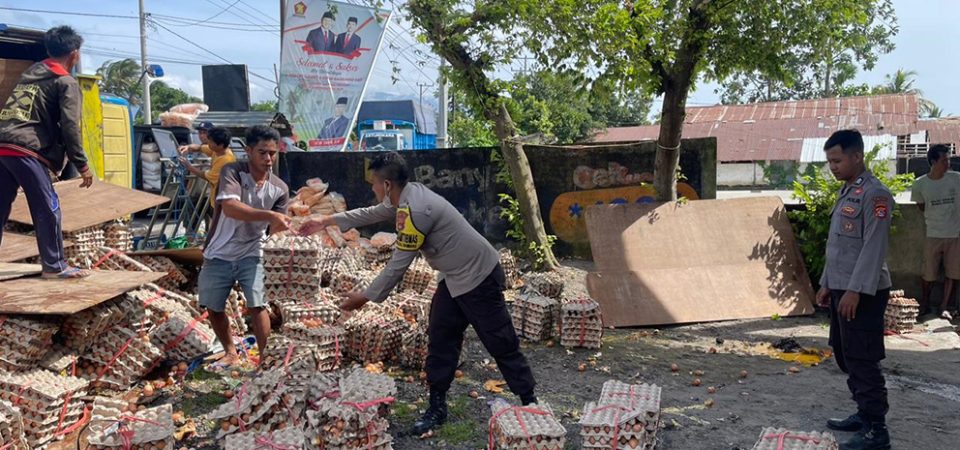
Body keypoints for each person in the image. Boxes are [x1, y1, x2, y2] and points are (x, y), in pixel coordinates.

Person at [298, 152, 537, 435]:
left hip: (479, 275)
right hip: (454, 277)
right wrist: (326, 221)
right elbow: (371, 213)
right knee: (440, 336)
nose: (372, 189)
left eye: (374, 183)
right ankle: (437, 406)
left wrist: (363, 297)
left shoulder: (416, 210)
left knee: (499, 340)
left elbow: (399, 264)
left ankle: (529, 402)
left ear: (387, 184)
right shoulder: (406, 196)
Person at [816, 129, 893, 450]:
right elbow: (838, 246)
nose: (832, 167)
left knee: (862, 358)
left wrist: (854, 291)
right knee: (845, 354)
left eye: (837, 160)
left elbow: (873, 248)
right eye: (829, 161)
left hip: (864, 293)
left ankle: (877, 430)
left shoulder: (876, 195)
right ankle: (864, 414)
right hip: (841, 288)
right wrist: (826, 283)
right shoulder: (848, 191)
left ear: (857, 156)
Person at [0, 25, 94, 279]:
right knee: (47, 206)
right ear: (74, 54)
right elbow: (71, 127)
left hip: (3, 146)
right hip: (27, 150)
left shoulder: (31, 72)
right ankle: (54, 266)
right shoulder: (65, 82)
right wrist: (82, 164)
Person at [198, 125, 291, 369]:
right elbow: (230, 207)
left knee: (257, 304)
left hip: (253, 250)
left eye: (273, 153)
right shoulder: (233, 172)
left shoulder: (279, 188)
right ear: (248, 151)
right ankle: (230, 351)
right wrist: (270, 215)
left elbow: (275, 230)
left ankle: (265, 359)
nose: (269, 159)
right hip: (220, 249)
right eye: (262, 152)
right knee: (213, 305)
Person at [910, 144, 960, 319]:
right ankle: (924, 303)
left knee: (952, 273)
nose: (948, 163)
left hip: (955, 234)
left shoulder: (956, 179)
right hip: (933, 233)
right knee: (928, 273)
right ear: (933, 161)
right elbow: (921, 206)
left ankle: (944, 307)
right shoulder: (920, 184)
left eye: (948, 159)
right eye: (944, 160)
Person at [178, 126, 237, 210]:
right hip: (215, 199)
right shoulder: (216, 150)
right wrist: (188, 147)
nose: (208, 144)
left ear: (221, 145)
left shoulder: (225, 160)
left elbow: (206, 176)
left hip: (222, 202)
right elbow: (199, 148)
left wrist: (189, 167)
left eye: (211, 142)